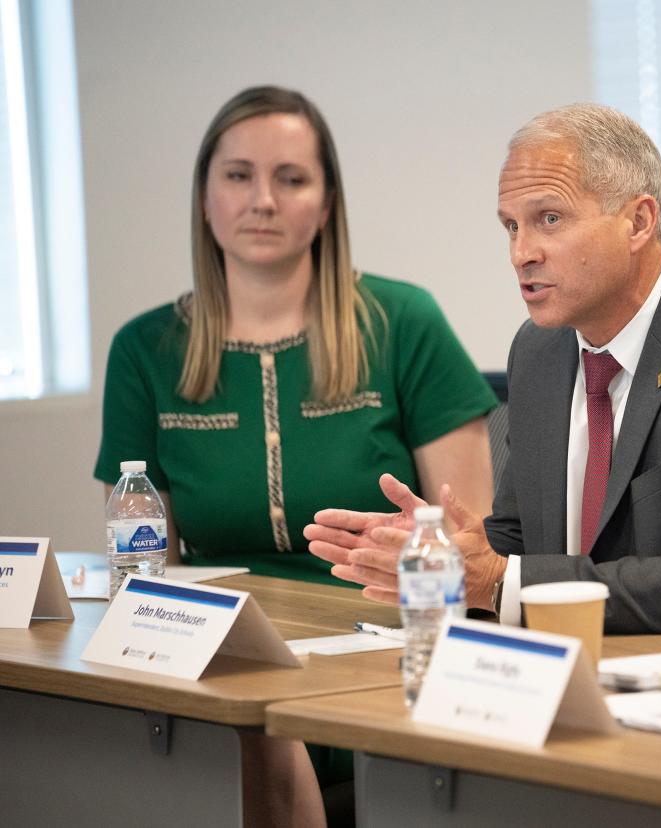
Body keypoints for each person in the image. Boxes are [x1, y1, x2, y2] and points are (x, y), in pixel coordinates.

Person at [93, 86, 497, 827]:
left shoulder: (404, 321)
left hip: (382, 652)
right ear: (206, 197)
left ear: (327, 201)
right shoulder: (144, 349)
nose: (263, 201)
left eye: (292, 178)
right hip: (220, 656)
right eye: (239, 175)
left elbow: (472, 548)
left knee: (258, 739)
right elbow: (138, 556)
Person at [306, 103, 661, 644]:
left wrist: (495, 581)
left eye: (549, 219)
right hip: (572, 674)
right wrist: (447, 555)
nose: (520, 253)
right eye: (511, 226)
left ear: (639, 221)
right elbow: (521, 540)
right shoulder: (540, 350)